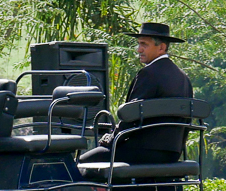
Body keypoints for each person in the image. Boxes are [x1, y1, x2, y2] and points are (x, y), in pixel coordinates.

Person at [78, 22, 192, 165]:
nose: (139, 50)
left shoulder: (148, 73)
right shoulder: (184, 78)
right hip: (172, 153)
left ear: (161, 47)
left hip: (143, 150)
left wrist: (112, 138)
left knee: (83, 162)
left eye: (144, 44)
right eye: (138, 44)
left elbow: (132, 116)